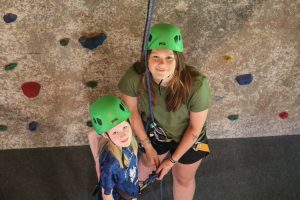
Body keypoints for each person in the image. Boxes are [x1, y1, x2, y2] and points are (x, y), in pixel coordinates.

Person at [118, 23, 211, 200]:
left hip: (188, 138)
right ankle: (130, 192)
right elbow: (131, 113)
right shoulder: (135, 76)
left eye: (169, 57)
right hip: (156, 131)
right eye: (156, 57)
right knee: (147, 162)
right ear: (147, 57)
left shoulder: (197, 84)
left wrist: (171, 161)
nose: (162, 64)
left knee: (183, 178)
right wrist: (147, 146)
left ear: (178, 59)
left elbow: (194, 129)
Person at [88, 95, 139, 200]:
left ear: (129, 122)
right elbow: (107, 196)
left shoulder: (130, 143)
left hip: (130, 191)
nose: (123, 135)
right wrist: (98, 165)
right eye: (115, 132)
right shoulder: (111, 165)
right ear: (105, 136)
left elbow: (91, 134)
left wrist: (97, 163)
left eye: (125, 127)